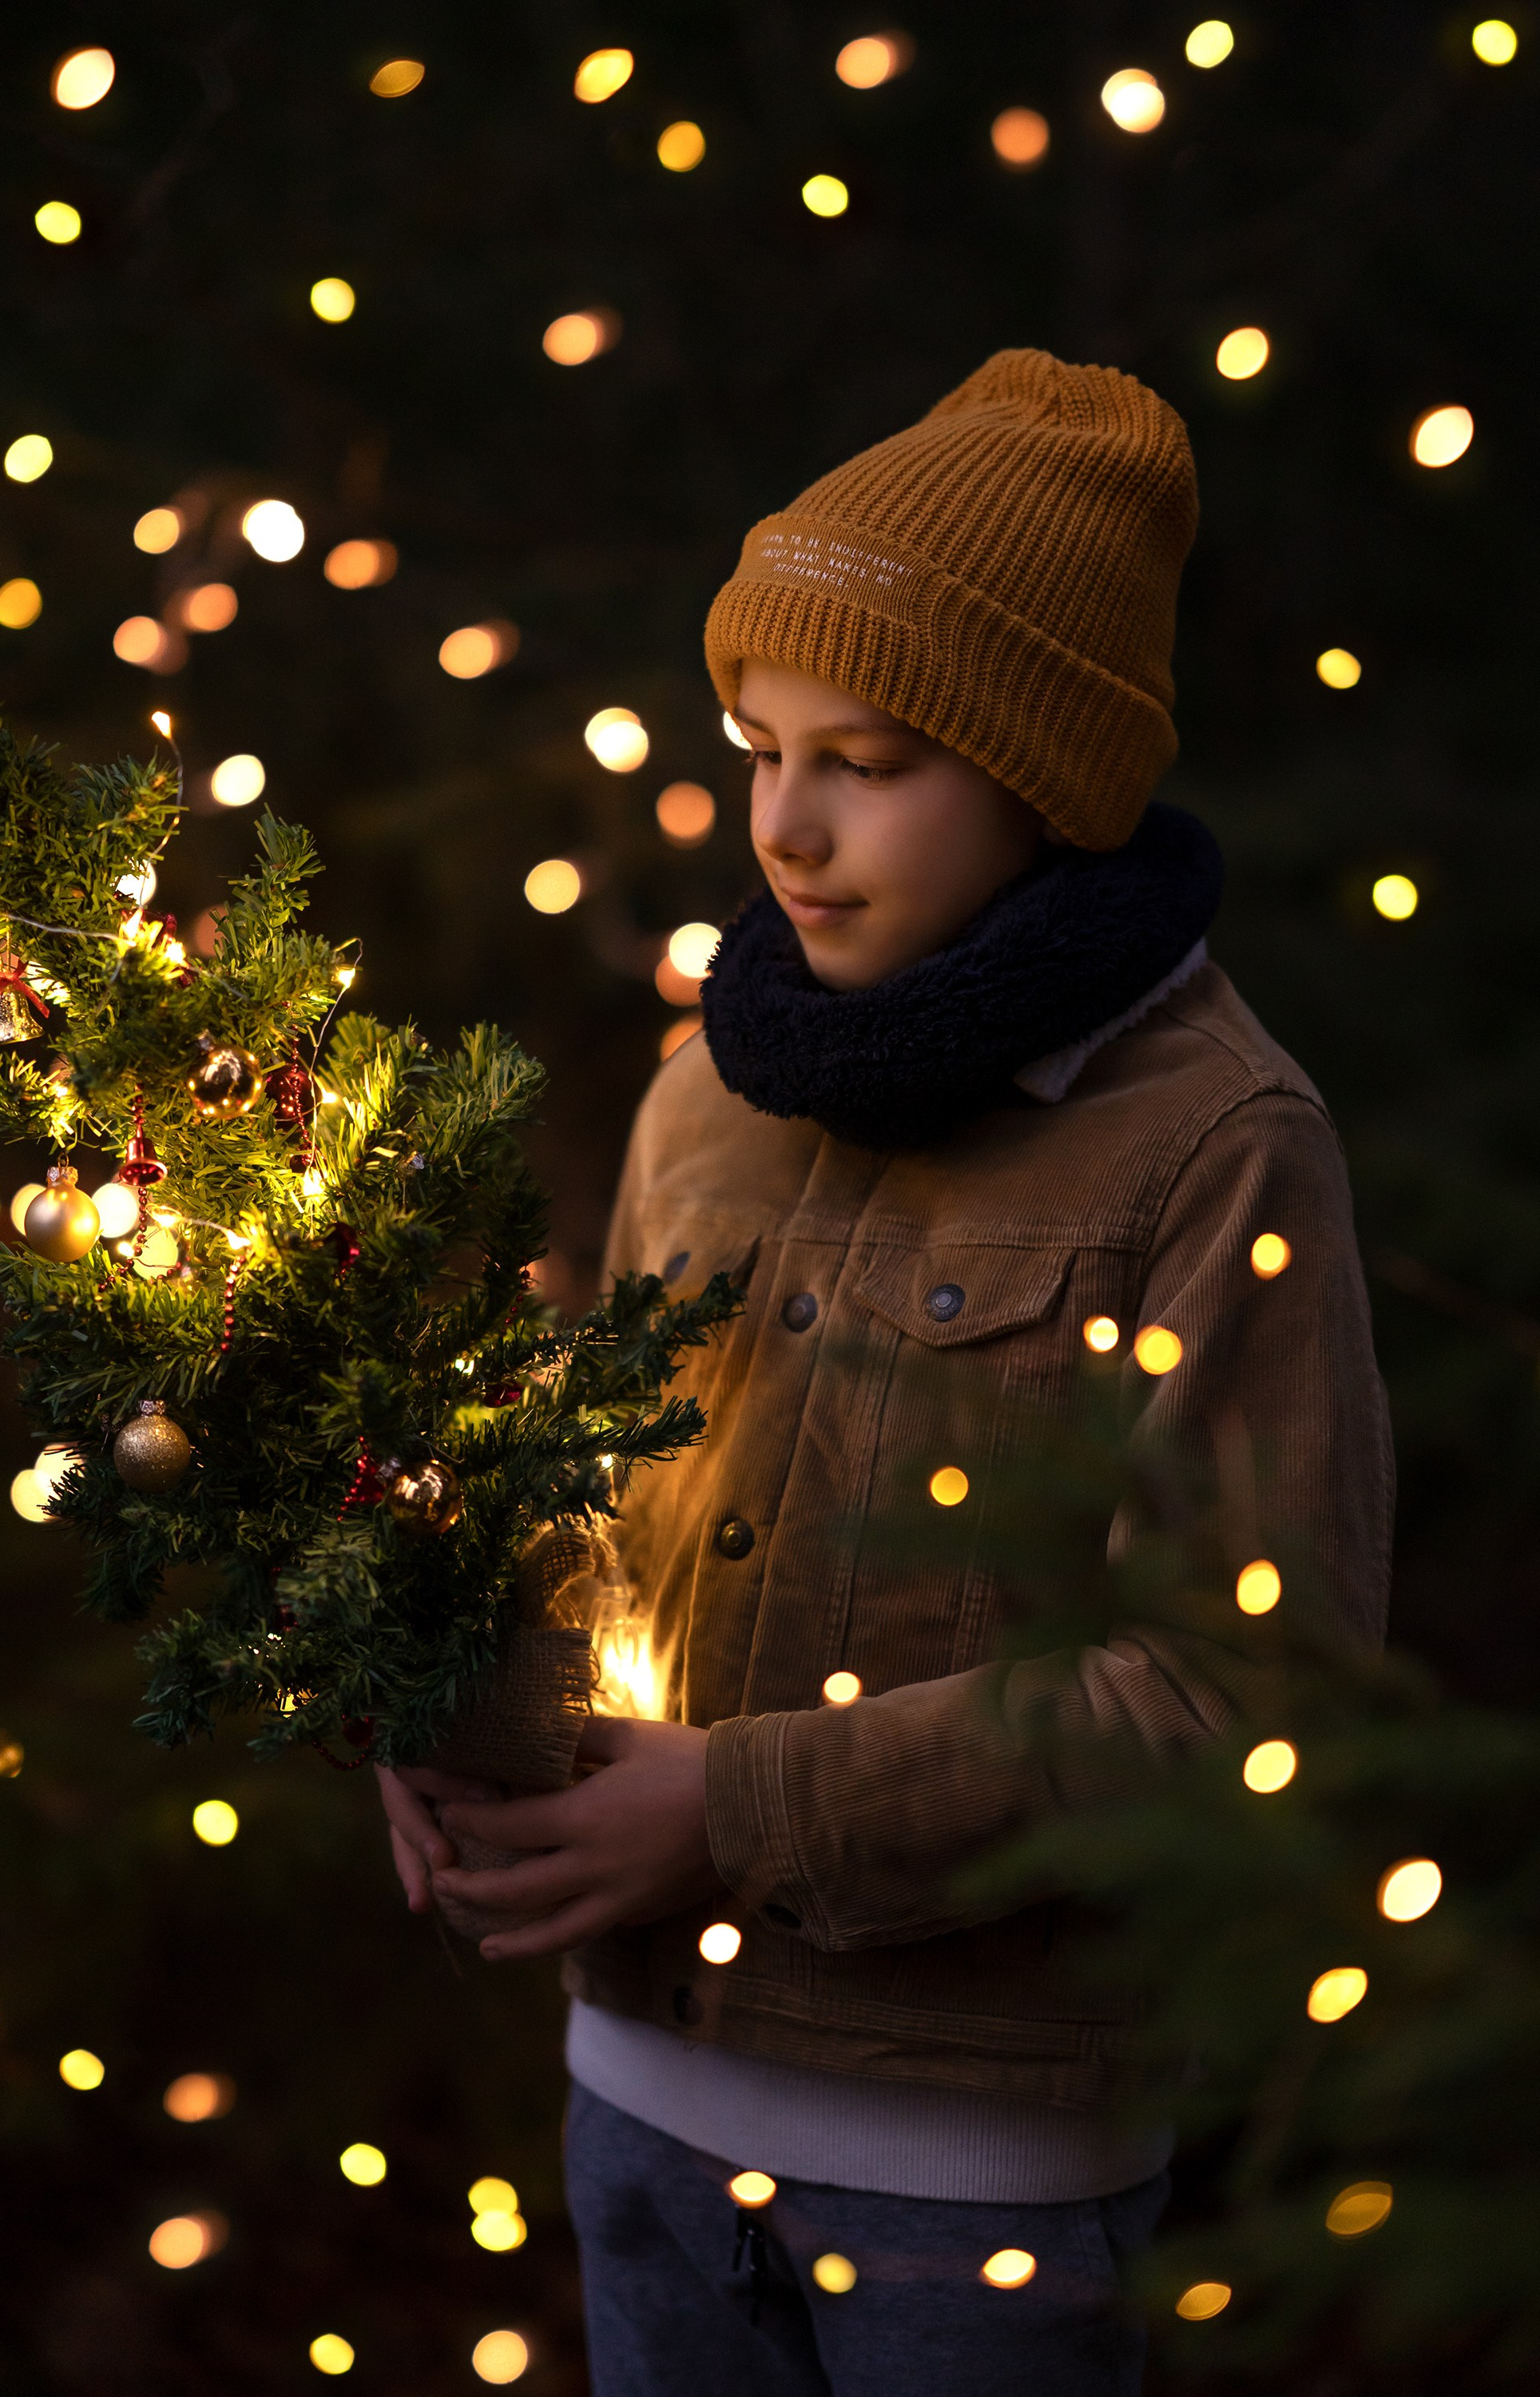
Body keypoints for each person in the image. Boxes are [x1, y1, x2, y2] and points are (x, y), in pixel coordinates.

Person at [376, 348, 1394, 2395]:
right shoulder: (705, 1094)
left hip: (970, 2187)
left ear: (1043, 771)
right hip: (640, 2104)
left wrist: (741, 1808)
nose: (787, 823)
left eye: (871, 760)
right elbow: (599, 1513)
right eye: (757, 746)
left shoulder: (1209, 1145)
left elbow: (1238, 1688)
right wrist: (446, 1700)